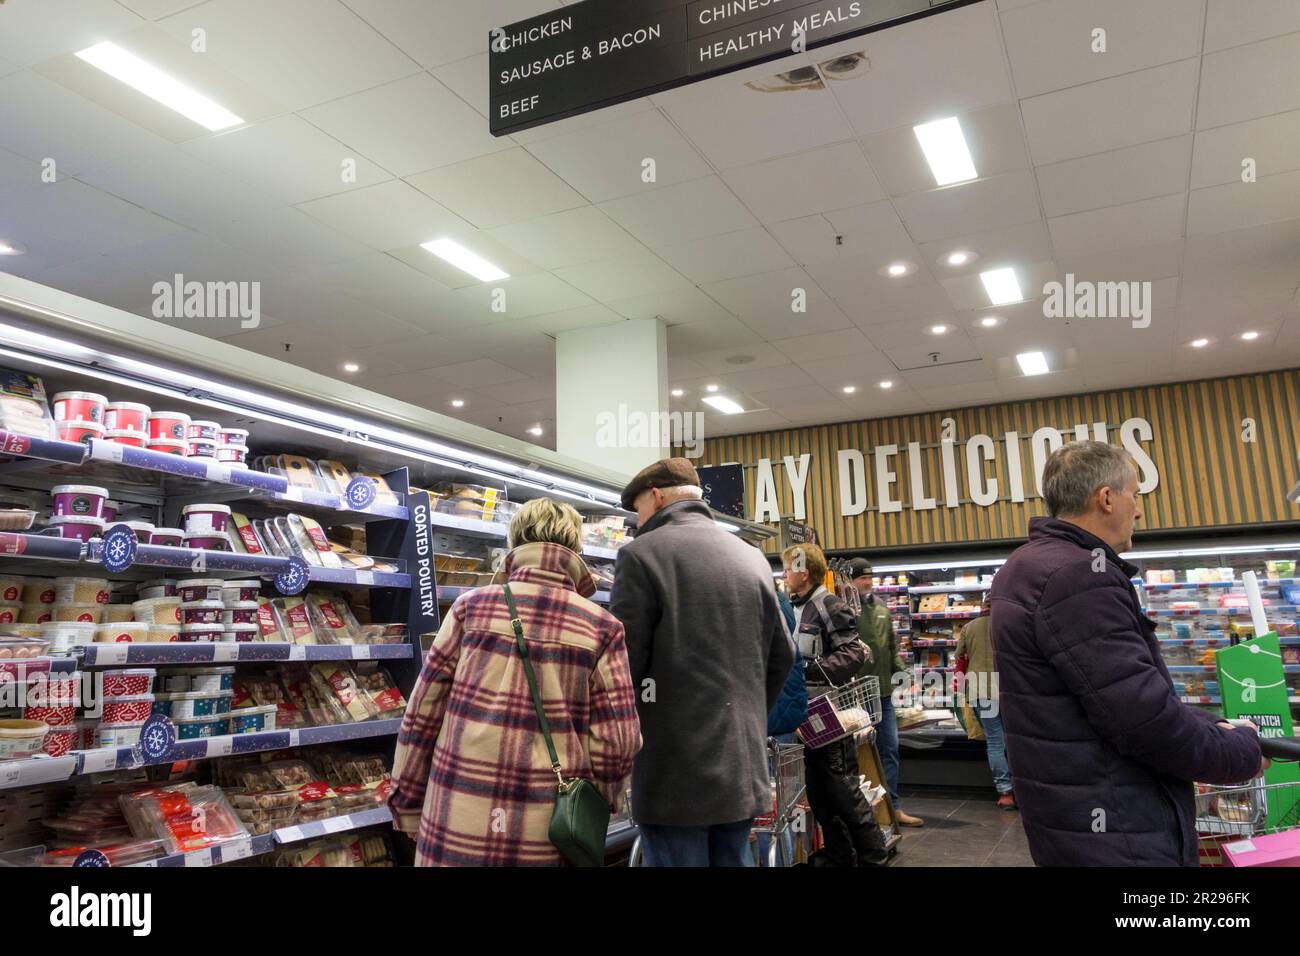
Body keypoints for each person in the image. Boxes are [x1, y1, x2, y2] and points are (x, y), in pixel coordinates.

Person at [990, 440, 1266, 866]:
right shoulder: (1079, 574)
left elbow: (1107, 695)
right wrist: (1240, 753)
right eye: (1134, 495)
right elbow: (1140, 717)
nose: (1137, 510)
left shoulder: (1026, 566)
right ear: (1105, 498)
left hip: (1073, 816)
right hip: (1119, 829)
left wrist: (1214, 726)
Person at [390, 498, 641, 866]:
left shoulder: (469, 609)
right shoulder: (602, 627)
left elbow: (421, 716)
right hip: (549, 829)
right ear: (576, 549)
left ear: (514, 543)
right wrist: (599, 803)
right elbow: (618, 742)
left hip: (456, 815)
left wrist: (409, 803)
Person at [610, 458, 793, 867]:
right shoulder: (751, 557)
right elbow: (784, 653)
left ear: (657, 496)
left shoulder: (642, 555)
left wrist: (617, 742)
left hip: (673, 770)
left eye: (637, 509)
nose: (637, 521)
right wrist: (746, 713)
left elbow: (623, 667)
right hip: (741, 764)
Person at [783, 542, 890, 867]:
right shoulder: (795, 606)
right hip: (807, 714)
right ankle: (840, 856)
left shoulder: (827, 604)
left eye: (790, 567)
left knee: (843, 788)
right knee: (819, 791)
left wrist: (807, 671)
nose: (785, 573)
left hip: (831, 715)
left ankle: (874, 856)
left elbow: (854, 653)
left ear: (805, 571)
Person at [847, 557, 923, 827]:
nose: (867, 582)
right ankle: (863, 812)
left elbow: (890, 648)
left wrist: (904, 675)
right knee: (857, 755)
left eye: (870, 577)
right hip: (855, 695)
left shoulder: (881, 609)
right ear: (851, 581)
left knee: (889, 749)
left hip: (883, 693)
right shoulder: (845, 610)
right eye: (862, 578)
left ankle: (892, 808)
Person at [954, 596, 1015, 810]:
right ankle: (1021, 788)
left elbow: (959, 656)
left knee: (995, 742)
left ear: (982, 606)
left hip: (980, 690)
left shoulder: (968, 628)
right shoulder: (1009, 625)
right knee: (1015, 741)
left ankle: (1005, 792)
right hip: (1009, 689)